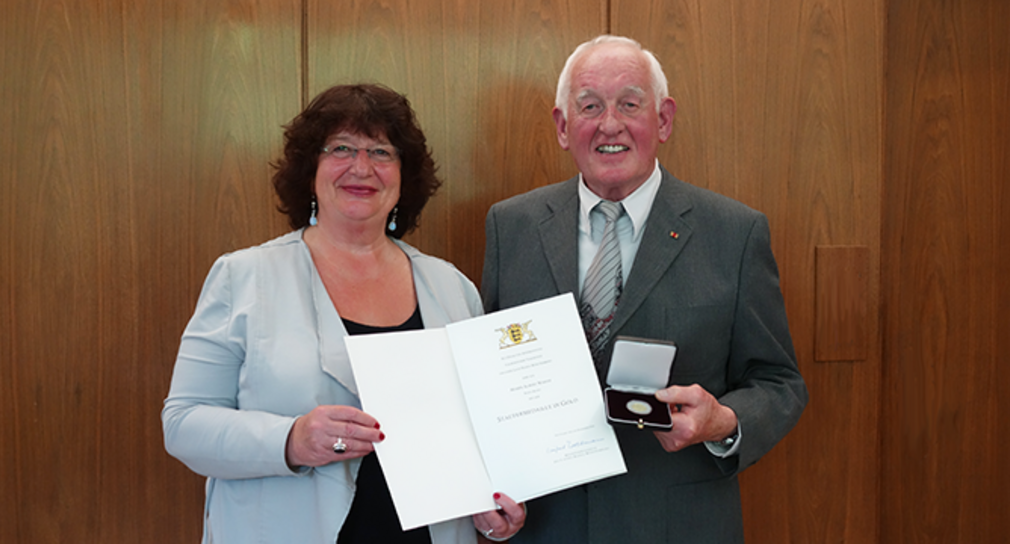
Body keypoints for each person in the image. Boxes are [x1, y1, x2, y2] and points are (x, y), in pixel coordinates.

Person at [163, 84, 524, 544]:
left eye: (381, 151)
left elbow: (481, 434)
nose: (361, 167)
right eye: (341, 149)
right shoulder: (244, 277)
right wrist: (291, 439)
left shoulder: (452, 288)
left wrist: (493, 506)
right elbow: (183, 424)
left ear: (403, 174)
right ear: (310, 169)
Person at [481, 36, 808, 543]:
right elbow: (491, 382)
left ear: (663, 120)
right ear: (564, 127)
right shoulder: (512, 226)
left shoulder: (734, 233)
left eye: (630, 104)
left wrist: (721, 420)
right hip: (547, 526)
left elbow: (779, 382)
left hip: (676, 525)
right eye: (589, 106)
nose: (610, 124)